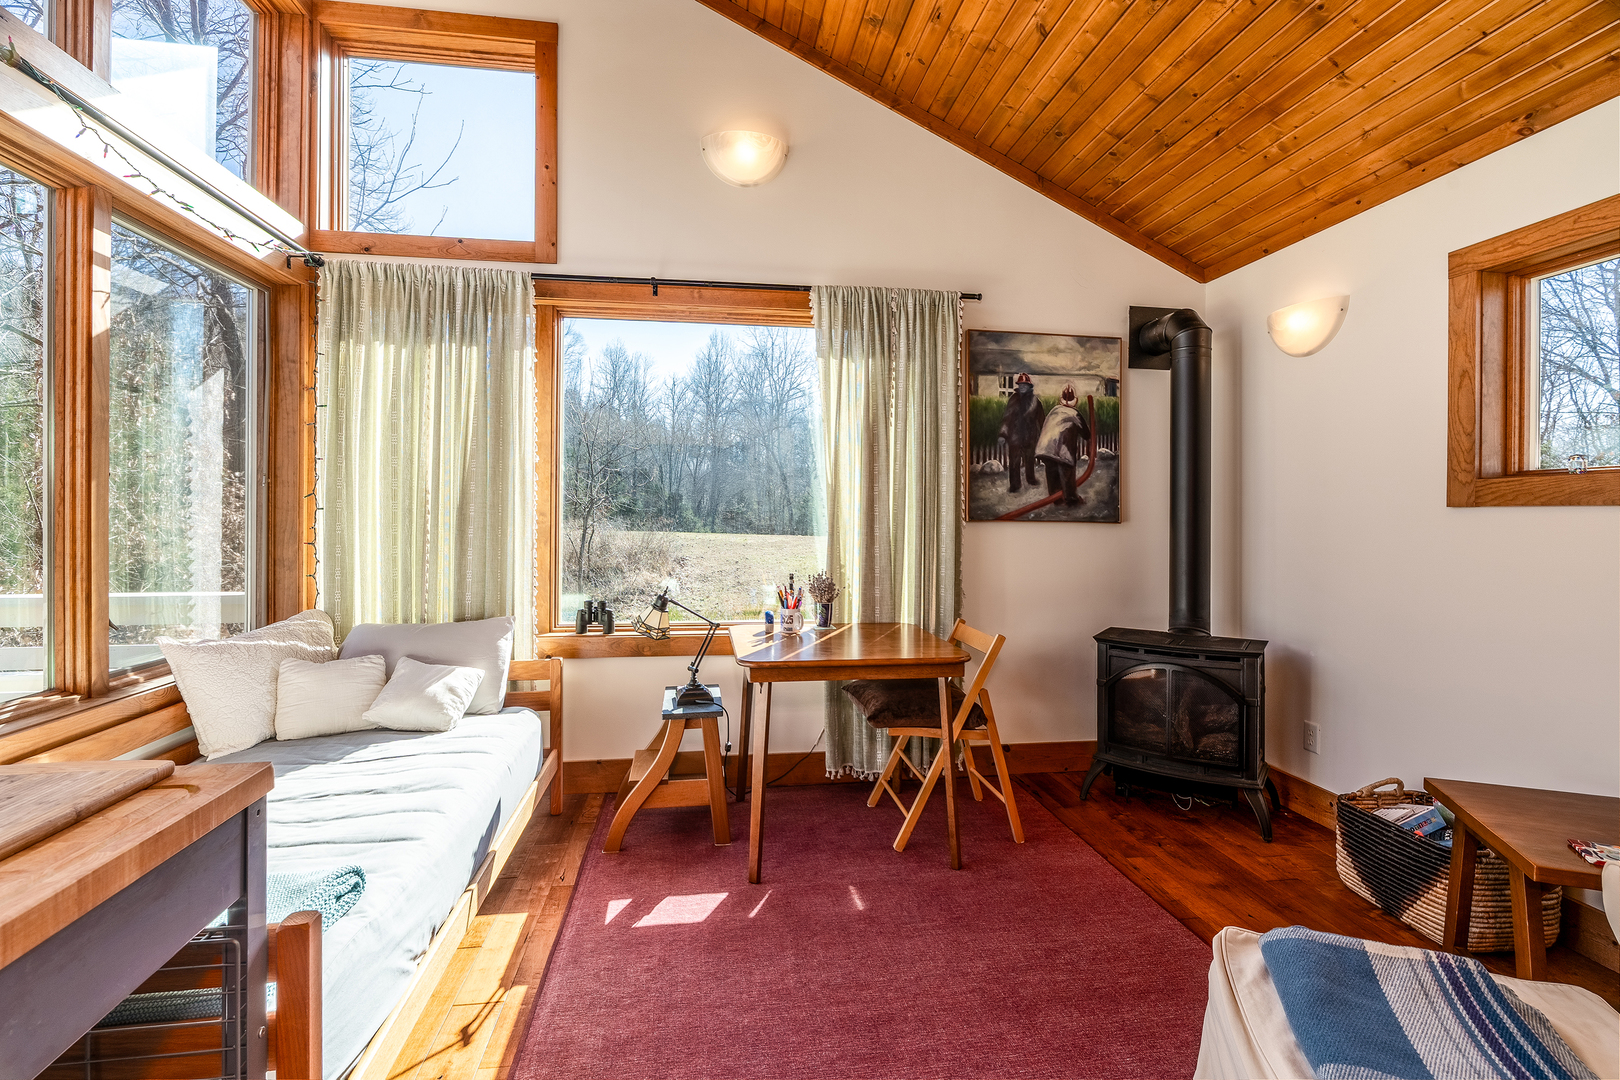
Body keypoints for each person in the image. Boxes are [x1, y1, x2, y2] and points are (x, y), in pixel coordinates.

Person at [1034, 383, 1090, 505]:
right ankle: (1072, 500)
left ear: (1061, 399)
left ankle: (1056, 500)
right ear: (1075, 401)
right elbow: (1086, 434)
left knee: (1052, 474)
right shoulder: (1074, 413)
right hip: (1063, 452)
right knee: (1067, 475)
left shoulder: (1054, 410)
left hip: (1045, 449)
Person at [997, 372, 1044, 493]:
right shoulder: (1013, 399)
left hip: (1030, 436)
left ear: (1029, 386)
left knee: (1029, 459)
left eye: (1025, 384)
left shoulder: (1035, 401)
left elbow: (1042, 419)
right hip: (1015, 436)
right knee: (1014, 461)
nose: (1022, 386)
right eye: (1021, 384)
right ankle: (1014, 485)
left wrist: (1044, 434)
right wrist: (1003, 434)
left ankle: (1031, 479)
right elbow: (1007, 418)